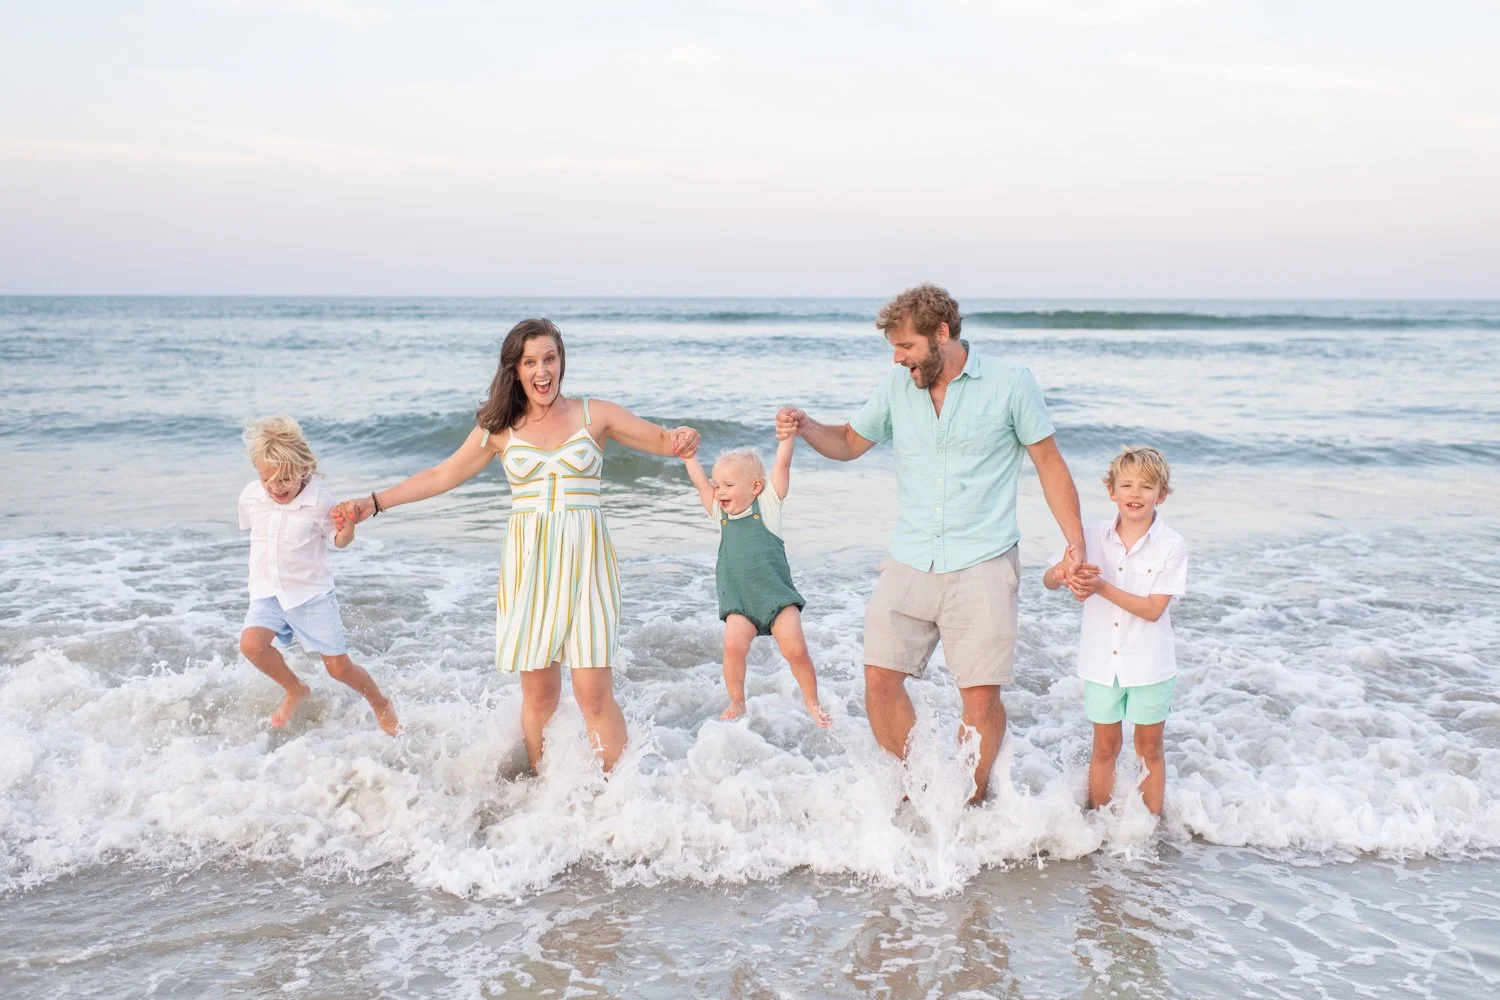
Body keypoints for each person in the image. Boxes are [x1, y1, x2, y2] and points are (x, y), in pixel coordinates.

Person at [332, 318, 699, 772]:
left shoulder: (594, 414)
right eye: (530, 362)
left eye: (550, 359)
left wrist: (684, 435)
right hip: (530, 567)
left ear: (561, 361)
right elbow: (442, 474)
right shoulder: (499, 428)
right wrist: (373, 503)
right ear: (516, 369)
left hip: (587, 563)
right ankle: (543, 790)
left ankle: (617, 795)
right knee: (541, 695)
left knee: (593, 693)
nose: (542, 371)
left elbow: (664, 440)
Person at [776, 283, 1086, 805]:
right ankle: (919, 792)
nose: (898, 359)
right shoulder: (898, 387)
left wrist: (1076, 543)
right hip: (910, 557)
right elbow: (849, 442)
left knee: (980, 696)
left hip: (984, 559)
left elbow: (1050, 465)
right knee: (879, 681)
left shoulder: (1011, 383)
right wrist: (807, 427)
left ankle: (970, 806)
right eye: (894, 348)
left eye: (906, 346)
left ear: (942, 333)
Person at [1044, 446, 1187, 816]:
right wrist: (1062, 572)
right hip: (1101, 664)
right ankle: (1098, 823)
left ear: (1162, 495)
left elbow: (1153, 610)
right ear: (1111, 491)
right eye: (1126, 485)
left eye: (1146, 486)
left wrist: (1100, 587)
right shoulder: (1090, 536)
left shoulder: (1171, 545)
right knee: (1104, 748)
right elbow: (1048, 581)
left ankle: (1151, 827)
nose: (1135, 493)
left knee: (1148, 749)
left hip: (1150, 665)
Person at [237, 415, 400, 735]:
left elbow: (339, 541)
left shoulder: (320, 502)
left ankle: (380, 702)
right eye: (267, 479)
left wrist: (348, 527)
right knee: (251, 645)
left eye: (284, 479)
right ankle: (295, 689)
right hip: (268, 592)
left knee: (338, 668)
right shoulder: (251, 496)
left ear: (304, 469)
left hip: (310, 595)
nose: (275, 488)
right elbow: (259, 535)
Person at [682, 436, 831, 727]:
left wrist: (787, 439)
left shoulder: (768, 508)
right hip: (740, 604)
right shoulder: (721, 516)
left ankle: (812, 701)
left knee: (796, 651)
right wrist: (689, 458)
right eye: (717, 485)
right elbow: (700, 484)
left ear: (755, 487)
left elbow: (782, 465)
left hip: (777, 600)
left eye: (728, 485)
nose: (719, 491)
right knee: (732, 648)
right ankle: (737, 700)